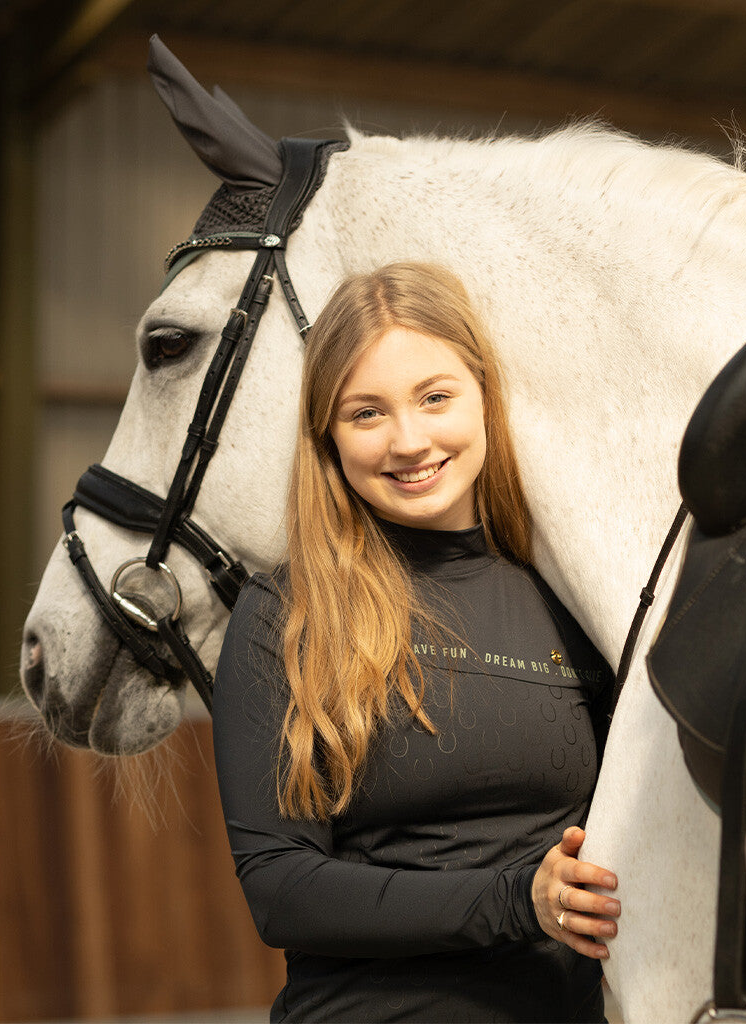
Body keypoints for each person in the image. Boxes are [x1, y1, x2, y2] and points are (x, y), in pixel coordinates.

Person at [212, 261, 621, 1023]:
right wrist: (517, 900)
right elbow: (281, 889)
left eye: (435, 398)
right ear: (327, 437)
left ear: (484, 396)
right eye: (365, 413)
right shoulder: (286, 614)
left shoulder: (570, 604)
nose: (408, 440)